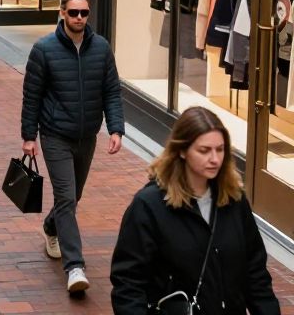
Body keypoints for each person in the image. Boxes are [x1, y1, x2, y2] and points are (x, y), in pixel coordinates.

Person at [110, 106, 280, 315]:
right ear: (181, 150)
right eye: (204, 150)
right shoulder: (149, 206)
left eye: (220, 149)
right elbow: (128, 284)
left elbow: (255, 274)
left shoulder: (234, 199)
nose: (215, 159)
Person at [20, 0, 125, 294]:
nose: (79, 18)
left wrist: (115, 128)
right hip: (55, 136)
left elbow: (111, 92)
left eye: (84, 13)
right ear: (62, 14)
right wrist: (29, 136)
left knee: (73, 196)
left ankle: (52, 227)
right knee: (66, 197)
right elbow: (32, 98)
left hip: (87, 137)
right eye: (74, 12)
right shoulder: (43, 50)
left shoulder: (101, 48)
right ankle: (75, 267)